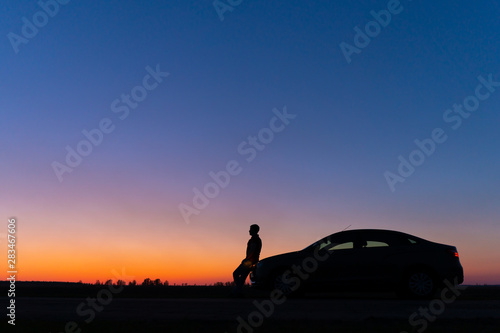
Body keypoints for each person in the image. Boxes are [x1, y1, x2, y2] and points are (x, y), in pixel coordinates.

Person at [232, 224, 262, 295]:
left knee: (235, 273)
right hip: (253, 261)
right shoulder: (256, 239)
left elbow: (252, 250)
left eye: (250, 229)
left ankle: (237, 291)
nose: (249, 231)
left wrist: (246, 259)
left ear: (254, 230)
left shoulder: (254, 240)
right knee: (242, 278)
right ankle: (238, 293)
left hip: (249, 261)